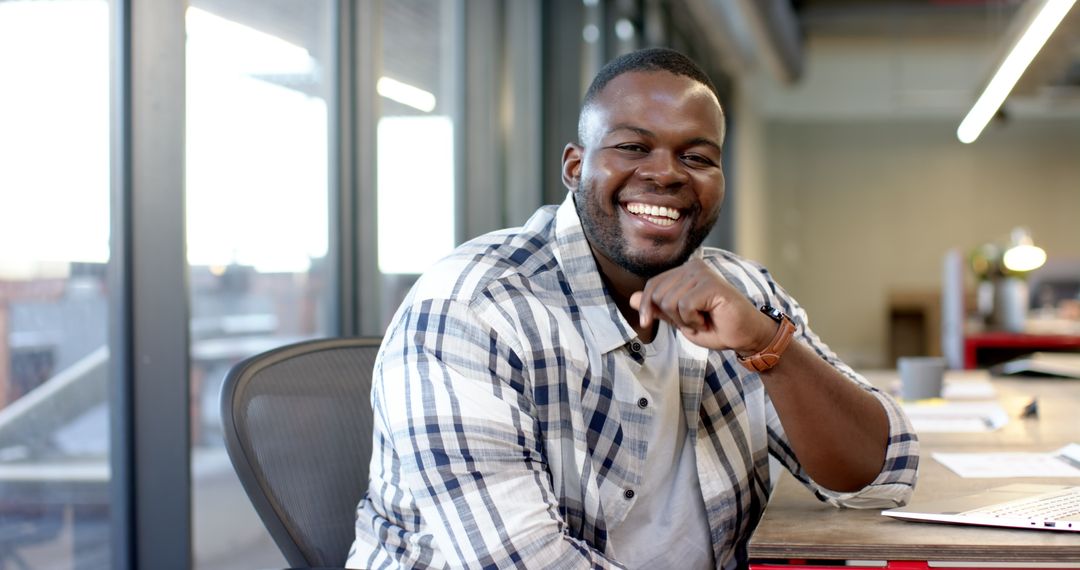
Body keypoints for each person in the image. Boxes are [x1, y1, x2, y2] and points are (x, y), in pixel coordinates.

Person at [347, 47, 918, 570]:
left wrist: (767, 344)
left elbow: (882, 479)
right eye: (632, 147)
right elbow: (523, 563)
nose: (666, 173)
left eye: (697, 156)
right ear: (575, 167)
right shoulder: (475, 310)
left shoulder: (742, 291)